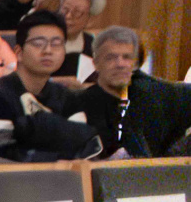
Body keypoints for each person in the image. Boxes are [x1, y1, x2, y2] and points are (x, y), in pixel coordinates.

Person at [0, 11, 100, 162]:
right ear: (18, 52)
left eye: (56, 44)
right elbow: (0, 153)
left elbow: (84, 146)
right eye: (38, 44)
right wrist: (59, 155)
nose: (48, 51)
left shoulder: (67, 97)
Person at [71, 27, 191, 159]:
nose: (119, 64)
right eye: (111, 57)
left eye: (126, 57)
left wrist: (175, 157)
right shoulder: (78, 103)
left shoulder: (157, 93)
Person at [54, 0, 104, 80]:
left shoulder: (94, 46)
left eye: (77, 12)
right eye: (65, 9)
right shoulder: (44, 41)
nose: (68, 16)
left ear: (90, 20)